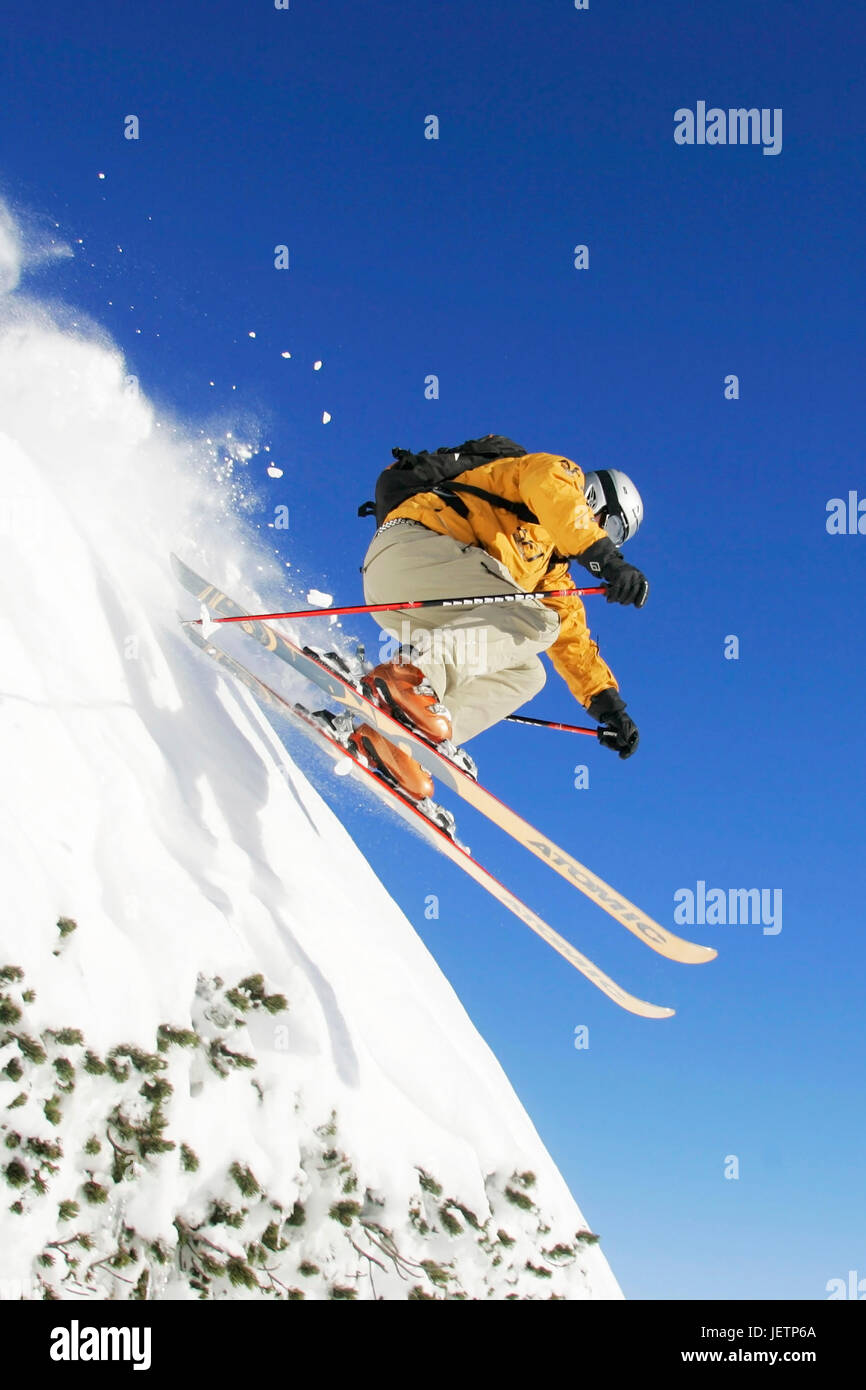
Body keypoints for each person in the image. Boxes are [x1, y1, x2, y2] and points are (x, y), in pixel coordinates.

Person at [348, 448, 649, 801]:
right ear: (595, 498)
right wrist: (606, 561)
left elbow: (573, 641)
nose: (608, 537)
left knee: (528, 672)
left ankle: (398, 743)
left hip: (416, 595)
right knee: (537, 618)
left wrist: (610, 707)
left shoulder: (550, 572)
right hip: (414, 545)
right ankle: (407, 677)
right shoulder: (552, 472)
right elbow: (556, 497)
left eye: (616, 537)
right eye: (611, 526)